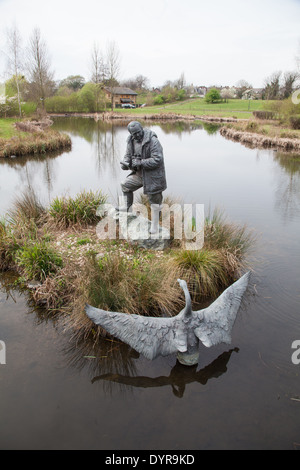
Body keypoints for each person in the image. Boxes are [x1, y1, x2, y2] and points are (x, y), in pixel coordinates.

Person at [117, 121, 167, 233]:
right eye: (134, 134)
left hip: (153, 177)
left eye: (138, 133)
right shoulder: (130, 141)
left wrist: (140, 162)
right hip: (139, 175)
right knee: (125, 185)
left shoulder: (153, 141)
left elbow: (157, 160)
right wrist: (125, 163)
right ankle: (127, 207)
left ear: (142, 129)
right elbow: (128, 156)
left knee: (155, 201)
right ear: (131, 134)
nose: (137, 136)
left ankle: (155, 225)